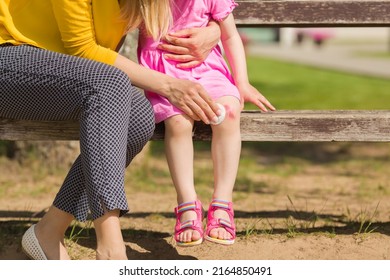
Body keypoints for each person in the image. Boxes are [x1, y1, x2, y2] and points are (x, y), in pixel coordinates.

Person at [0, 0, 222, 260]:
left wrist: (214, 29)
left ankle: (49, 231)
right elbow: (82, 50)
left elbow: (198, 6)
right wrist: (169, 86)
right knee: (108, 84)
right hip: (9, 58)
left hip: (62, 75)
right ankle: (111, 246)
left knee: (139, 117)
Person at [137, 0, 276, 246]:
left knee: (230, 112)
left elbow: (231, 36)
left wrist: (241, 83)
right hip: (164, 74)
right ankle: (187, 204)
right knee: (178, 122)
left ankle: (222, 202)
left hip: (208, 69)